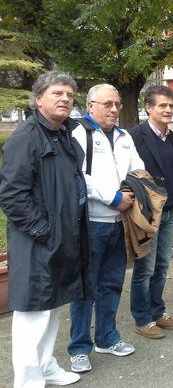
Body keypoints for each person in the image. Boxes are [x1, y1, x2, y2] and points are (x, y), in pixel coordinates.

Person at [0, 71, 91, 387]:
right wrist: (46, 231)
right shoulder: (26, 138)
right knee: (33, 313)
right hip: (37, 241)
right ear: (38, 99)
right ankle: (28, 380)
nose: (65, 99)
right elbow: (12, 196)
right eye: (57, 93)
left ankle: (46, 366)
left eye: (69, 94)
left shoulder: (63, 133)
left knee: (52, 308)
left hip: (61, 237)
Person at [69, 84, 144, 373]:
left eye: (117, 104)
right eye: (107, 104)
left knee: (112, 283)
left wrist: (131, 191)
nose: (114, 109)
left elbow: (138, 169)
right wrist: (112, 197)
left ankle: (107, 337)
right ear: (90, 106)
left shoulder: (124, 136)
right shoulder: (80, 134)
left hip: (120, 223)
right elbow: (77, 176)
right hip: (91, 224)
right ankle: (79, 348)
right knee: (85, 288)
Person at [128, 86, 173, 339]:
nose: (168, 110)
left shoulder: (171, 137)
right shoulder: (135, 136)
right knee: (146, 268)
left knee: (162, 266)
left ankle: (157, 311)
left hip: (170, 210)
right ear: (148, 108)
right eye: (162, 105)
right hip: (148, 214)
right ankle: (143, 319)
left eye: (171, 105)